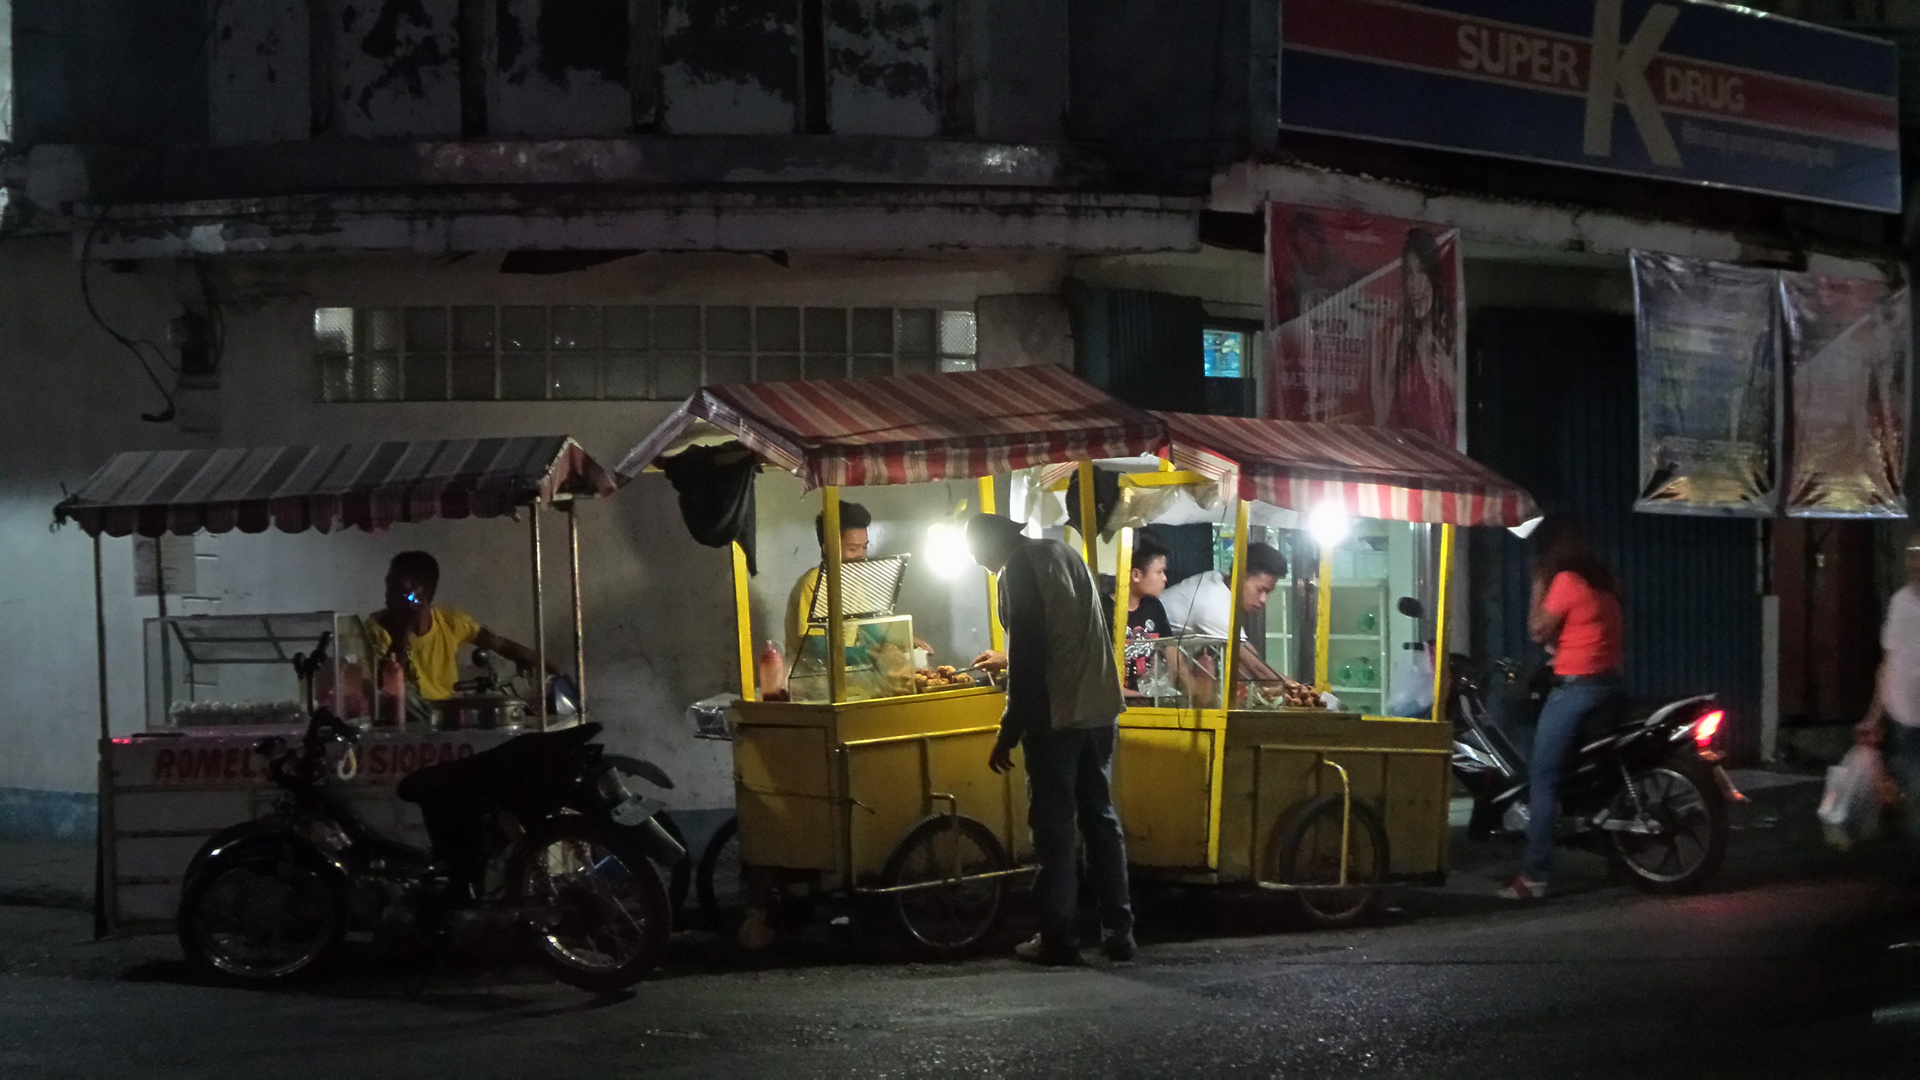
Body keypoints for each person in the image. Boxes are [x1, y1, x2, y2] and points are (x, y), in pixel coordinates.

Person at [967, 513, 1134, 966]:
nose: (974, 559)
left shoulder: (1016, 569)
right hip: (1100, 707)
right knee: (1100, 820)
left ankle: (1058, 938)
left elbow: (1030, 658)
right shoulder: (1063, 553)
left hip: (1056, 715)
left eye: (973, 549)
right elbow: (1066, 632)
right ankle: (1119, 932)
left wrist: (1008, 731)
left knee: (1054, 830)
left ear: (989, 543)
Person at [1500, 514, 1624, 901]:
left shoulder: (1566, 581)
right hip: (1607, 685)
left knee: (1543, 777)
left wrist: (1538, 582)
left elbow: (1537, 630)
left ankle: (1534, 876)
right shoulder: (1601, 582)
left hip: (1577, 689)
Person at [364, 550, 557, 707]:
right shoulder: (377, 628)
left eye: (396, 587)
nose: (387, 595)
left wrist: (555, 671)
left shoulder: (451, 621)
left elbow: (501, 645)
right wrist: (404, 629)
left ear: (422, 592)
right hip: (406, 718)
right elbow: (386, 684)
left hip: (447, 715)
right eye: (388, 585)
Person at [1857, 530, 1920, 840]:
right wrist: (1873, 715)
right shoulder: (1900, 604)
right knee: (1903, 786)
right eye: (1912, 554)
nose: (1916, 561)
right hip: (1902, 718)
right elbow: (1887, 663)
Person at [1159, 542, 1290, 684]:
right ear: (1241, 574)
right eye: (1260, 590)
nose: (1263, 599)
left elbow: (1248, 665)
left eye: (1268, 592)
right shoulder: (1213, 601)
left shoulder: (1218, 579)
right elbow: (1256, 667)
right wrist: (1296, 689)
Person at [1372, 228, 1457, 445]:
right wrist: (1374, 335)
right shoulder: (1400, 339)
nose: (1415, 284)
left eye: (1421, 271)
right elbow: (1380, 417)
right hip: (1408, 464)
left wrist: (1451, 378)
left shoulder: (1451, 340)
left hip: (1446, 468)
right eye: (1409, 274)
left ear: (1434, 278)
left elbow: (1465, 419)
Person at [784, 502, 872, 659]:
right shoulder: (813, 583)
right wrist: (868, 654)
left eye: (864, 547)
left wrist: (902, 642)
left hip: (845, 673)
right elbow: (818, 647)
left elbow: (869, 625)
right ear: (827, 548)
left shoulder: (853, 581)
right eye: (853, 549)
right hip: (812, 678)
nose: (861, 556)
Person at [1105, 533, 1173, 697]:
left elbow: (1172, 653)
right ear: (1136, 575)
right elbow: (1100, 678)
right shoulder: (1103, 611)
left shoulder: (1154, 607)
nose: (1165, 579)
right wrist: (1144, 698)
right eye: (1159, 572)